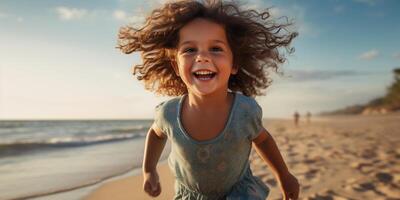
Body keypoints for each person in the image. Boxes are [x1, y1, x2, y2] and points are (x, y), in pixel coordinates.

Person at [117, 0, 299, 199]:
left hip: (238, 192)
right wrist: (149, 169)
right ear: (176, 66)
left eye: (215, 48)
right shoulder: (168, 113)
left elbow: (262, 139)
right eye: (190, 50)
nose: (202, 57)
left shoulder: (245, 111)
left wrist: (283, 174)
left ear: (234, 63)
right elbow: (156, 133)